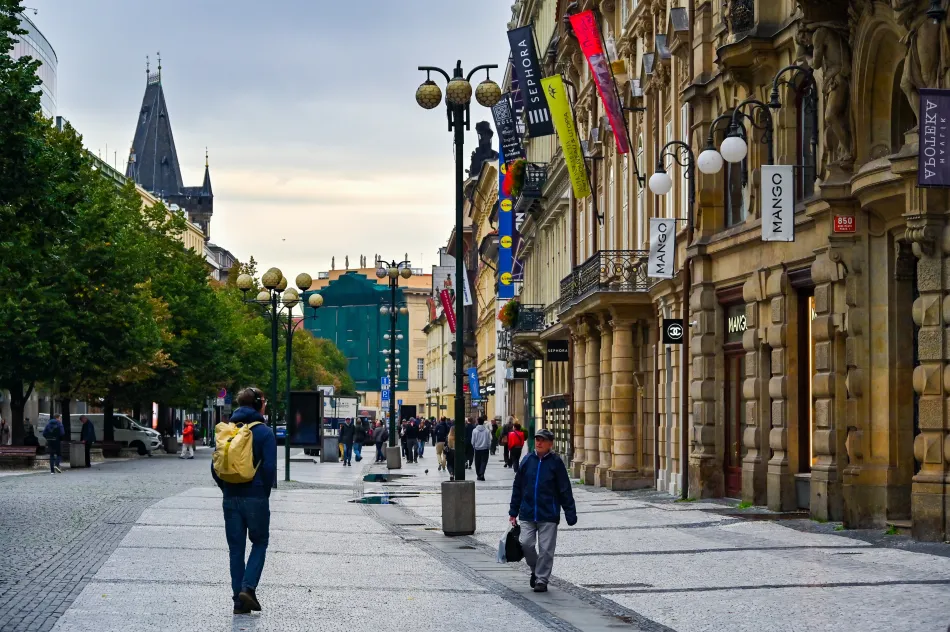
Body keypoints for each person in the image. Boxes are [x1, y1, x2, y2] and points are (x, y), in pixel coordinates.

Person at [211, 387, 276, 615]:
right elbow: (269, 469)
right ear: (259, 404)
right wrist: (263, 492)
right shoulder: (264, 433)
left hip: (230, 497)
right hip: (255, 496)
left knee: (236, 549)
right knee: (260, 542)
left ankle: (238, 601)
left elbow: (215, 466)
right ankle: (248, 588)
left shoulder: (228, 430)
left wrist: (227, 488)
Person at [508, 429, 577, 593]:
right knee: (526, 544)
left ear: (550, 444)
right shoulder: (527, 460)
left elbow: (564, 489)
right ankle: (535, 570)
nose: (538, 443)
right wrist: (513, 511)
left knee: (546, 550)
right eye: (537, 439)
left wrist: (570, 512)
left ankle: (541, 579)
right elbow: (518, 487)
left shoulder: (556, 463)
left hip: (548, 514)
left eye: (542, 440)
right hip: (527, 512)